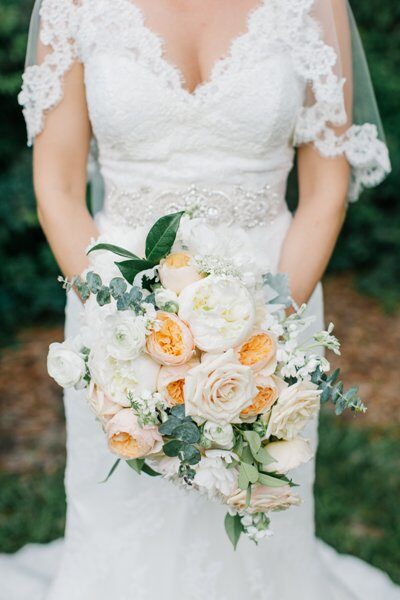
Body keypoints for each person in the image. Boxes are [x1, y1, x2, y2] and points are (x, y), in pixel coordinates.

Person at [1, 0, 398, 598]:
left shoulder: (313, 5)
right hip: (115, 310)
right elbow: (56, 187)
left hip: (272, 304)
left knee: (256, 501)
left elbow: (325, 188)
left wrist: (268, 336)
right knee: (127, 509)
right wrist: (120, 323)